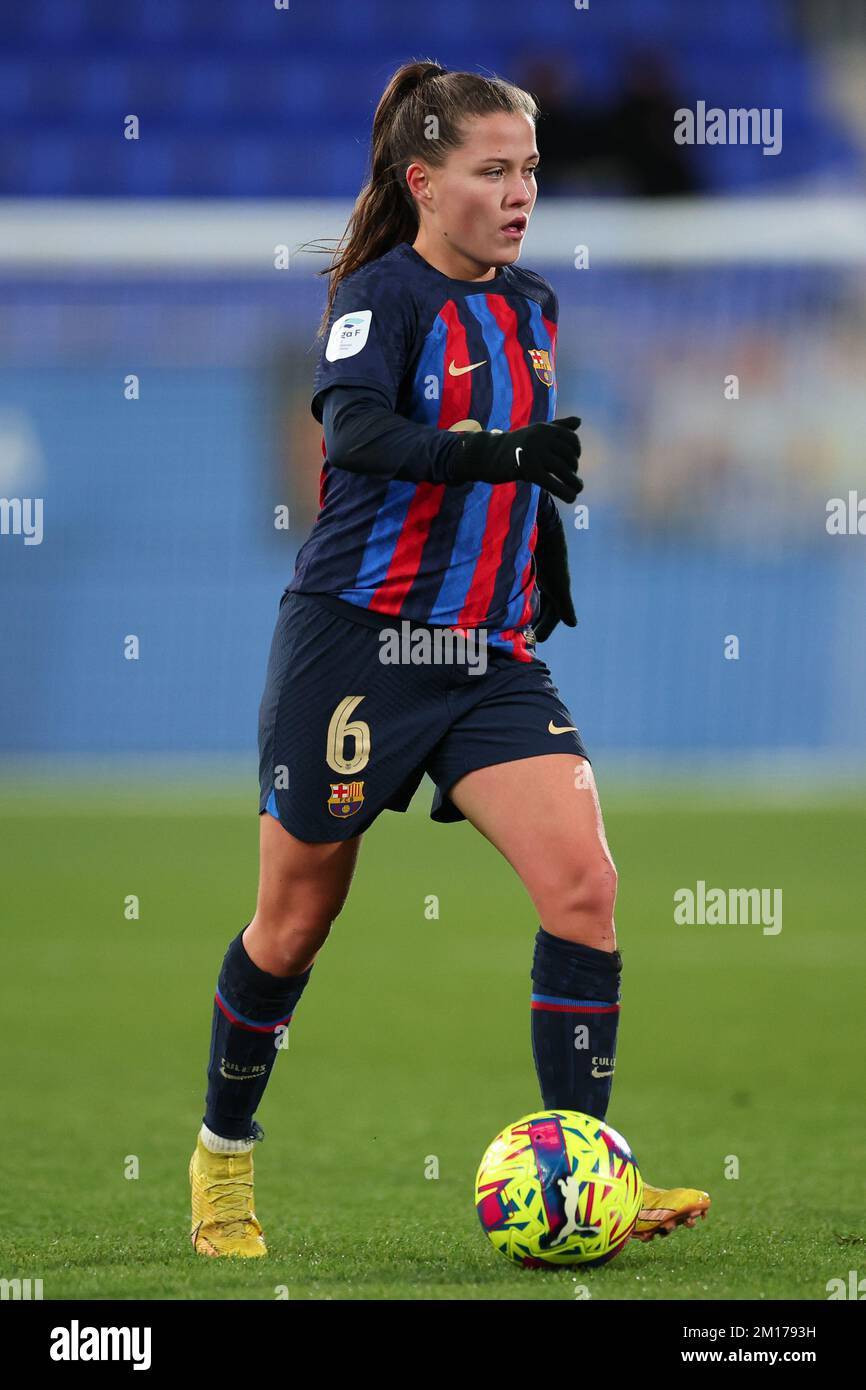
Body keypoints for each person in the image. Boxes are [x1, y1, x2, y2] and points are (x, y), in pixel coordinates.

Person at [189, 60, 710, 1257]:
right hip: (357, 649)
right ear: (425, 183)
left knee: (585, 883)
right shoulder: (382, 295)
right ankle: (222, 1162)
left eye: (528, 168)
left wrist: (542, 561)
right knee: (293, 924)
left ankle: (588, 1178)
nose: (520, 190)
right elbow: (359, 430)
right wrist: (499, 459)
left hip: (486, 655)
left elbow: (521, 468)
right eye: (492, 170)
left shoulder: (530, 303)